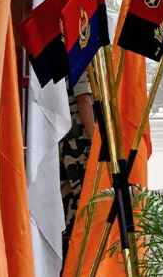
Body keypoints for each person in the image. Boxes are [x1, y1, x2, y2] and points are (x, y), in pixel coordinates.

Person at [60, 70, 97, 245]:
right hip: (80, 143)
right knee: (86, 203)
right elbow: (84, 100)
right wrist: (97, 145)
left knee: (69, 205)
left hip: (67, 140)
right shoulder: (85, 46)